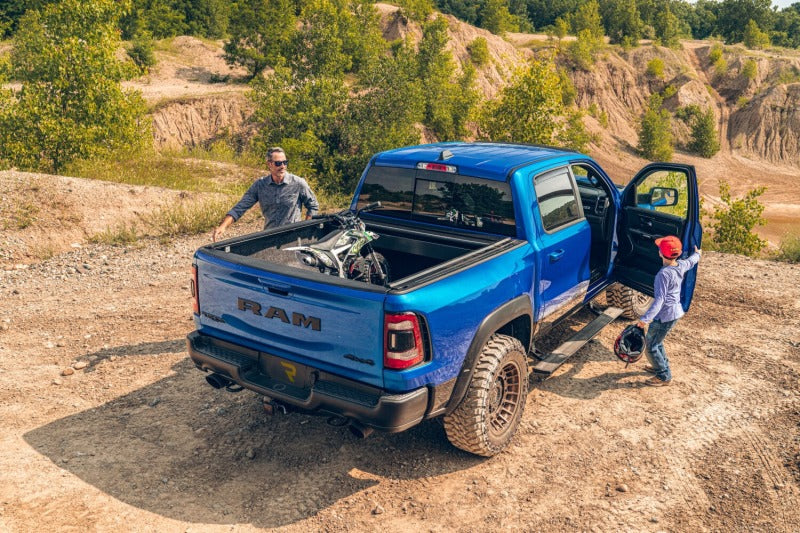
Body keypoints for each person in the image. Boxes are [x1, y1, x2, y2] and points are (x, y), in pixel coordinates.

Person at [212, 147, 319, 242]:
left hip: (292, 238)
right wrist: (223, 226)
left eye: (285, 162)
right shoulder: (260, 185)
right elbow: (240, 207)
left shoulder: (298, 183)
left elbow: (313, 205)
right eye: (278, 163)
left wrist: (306, 229)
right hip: (269, 237)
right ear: (269, 164)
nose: (282, 166)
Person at [636, 235, 702, 387]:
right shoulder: (681, 265)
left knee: (651, 346)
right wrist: (698, 253)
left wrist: (645, 319)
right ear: (677, 254)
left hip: (664, 316)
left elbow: (660, 300)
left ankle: (664, 375)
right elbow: (692, 261)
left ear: (660, 253)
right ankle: (659, 365)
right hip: (675, 313)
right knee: (657, 342)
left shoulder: (662, 275)